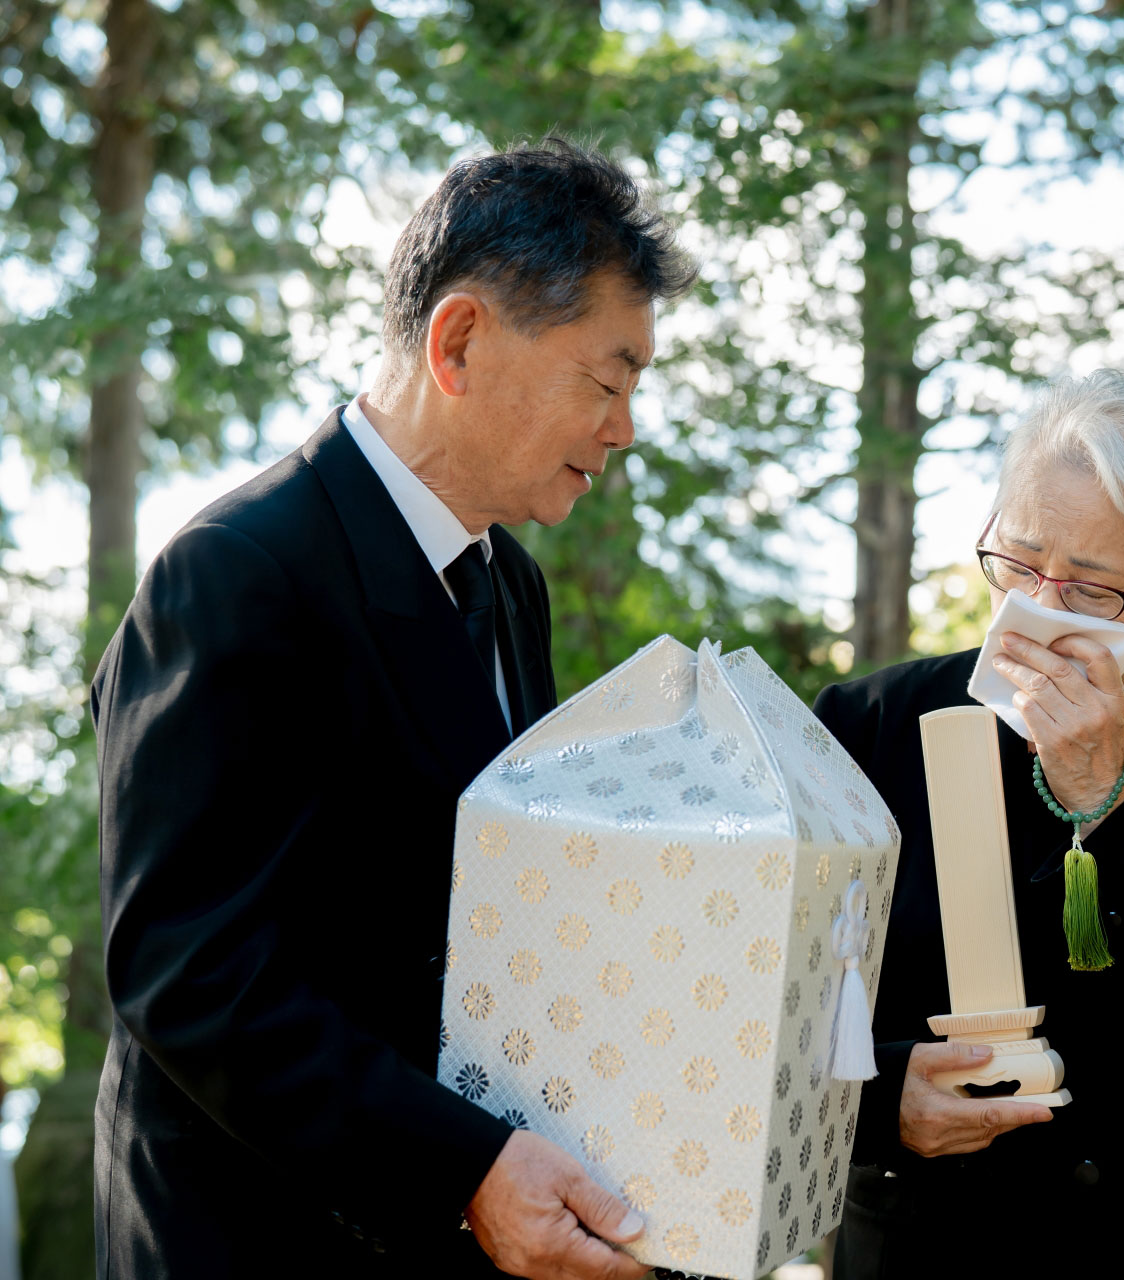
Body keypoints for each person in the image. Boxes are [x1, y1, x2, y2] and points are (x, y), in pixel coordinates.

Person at [90, 136, 693, 1280]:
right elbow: (190, 971)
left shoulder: (510, 584)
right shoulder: (235, 571)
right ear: (458, 340)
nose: (622, 428)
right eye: (606, 382)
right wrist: (460, 1165)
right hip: (260, 1237)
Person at [812, 369, 1124, 1278]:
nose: (1040, 611)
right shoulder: (868, 725)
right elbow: (780, 998)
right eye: (1018, 561)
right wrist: (887, 1098)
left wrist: (1109, 807)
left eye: (1091, 591)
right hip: (913, 1243)